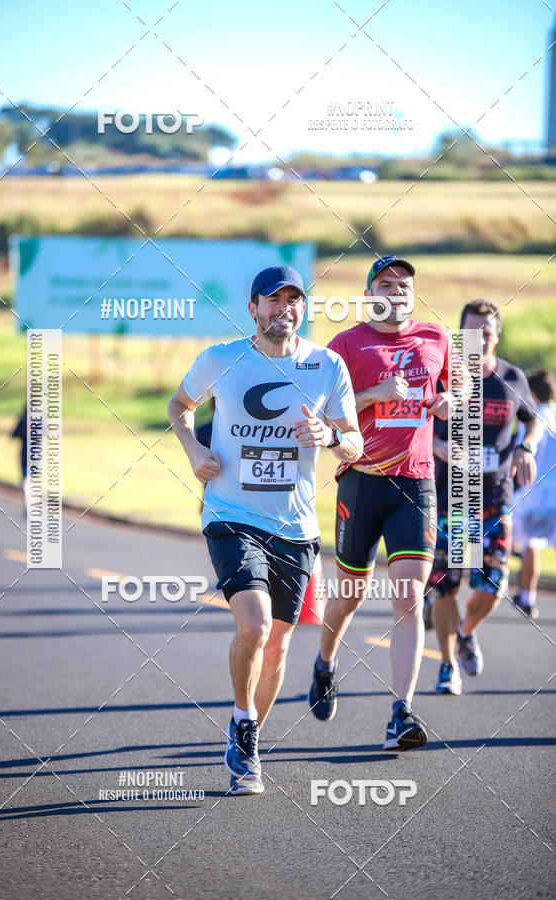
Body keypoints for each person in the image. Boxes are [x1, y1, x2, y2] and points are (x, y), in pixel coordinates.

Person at [167, 265, 363, 795]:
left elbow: (355, 445)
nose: (285, 308)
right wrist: (194, 451)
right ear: (252, 308)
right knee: (252, 626)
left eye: (293, 300)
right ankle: (243, 720)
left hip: (296, 526)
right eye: (273, 300)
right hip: (231, 513)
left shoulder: (327, 365)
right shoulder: (222, 358)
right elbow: (179, 406)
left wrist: (328, 435)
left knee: (277, 646)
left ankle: (245, 733)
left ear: (303, 307)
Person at [308, 255, 456, 751]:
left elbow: (453, 391)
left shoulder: (436, 338)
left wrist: (447, 403)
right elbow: (322, 414)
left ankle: (401, 712)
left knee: (409, 597)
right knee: (350, 594)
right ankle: (326, 661)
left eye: (405, 284)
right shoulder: (346, 345)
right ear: (370, 291)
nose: (397, 291)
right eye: (387, 283)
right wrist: (373, 393)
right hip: (361, 481)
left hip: (416, 485)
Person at [428, 299, 543, 695]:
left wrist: (525, 447)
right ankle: (446, 666)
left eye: (487, 334)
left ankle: (466, 630)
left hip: (494, 496)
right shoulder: (443, 376)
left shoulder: (512, 377)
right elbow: (412, 423)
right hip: (451, 497)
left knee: (491, 585)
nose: (477, 342)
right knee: (446, 586)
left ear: (498, 336)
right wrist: (436, 446)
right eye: (470, 335)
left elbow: (533, 423)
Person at [511, 368, 556, 619]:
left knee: (528, 544)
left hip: (534, 491)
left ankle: (525, 595)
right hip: (554, 492)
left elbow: (521, 451)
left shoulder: (535, 419)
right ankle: (526, 595)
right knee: (533, 544)